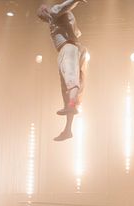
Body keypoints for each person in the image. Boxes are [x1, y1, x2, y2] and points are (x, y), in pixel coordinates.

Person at [36, 0, 88, 142]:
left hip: (69, 48)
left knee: (71, 80)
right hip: (66, 49)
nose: (40, 16)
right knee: (67, 89)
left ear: (45, 9)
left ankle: (71, 105)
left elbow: (66, 5)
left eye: (40, 13)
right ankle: (68, 129)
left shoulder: (54, 11)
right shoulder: (53, 18)